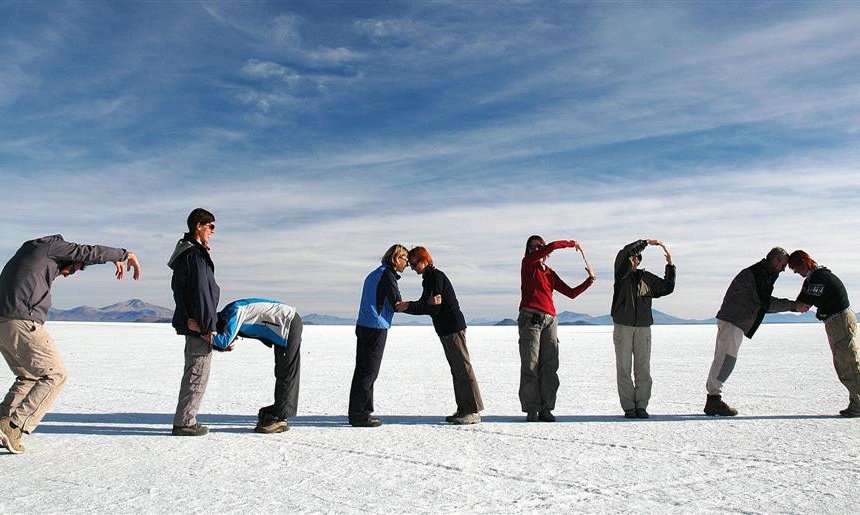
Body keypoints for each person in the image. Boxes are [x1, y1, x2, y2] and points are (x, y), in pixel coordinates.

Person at [0, 235, 141, 454]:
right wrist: (124, 254)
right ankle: (14, 426)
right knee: (56, 375)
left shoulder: (30, 252)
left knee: (28, 376)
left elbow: (80, 258)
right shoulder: (52, 246)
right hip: (22, 320)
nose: (68, 274)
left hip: (4, 322)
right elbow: (88, 252)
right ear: (67, 258)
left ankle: (2, 421)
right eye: (73, 270)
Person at [704, 247, 798, 416]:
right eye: (783, 265)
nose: (783, 269)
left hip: (734, 321)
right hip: (733, 321)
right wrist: (792, 306)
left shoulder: (761, 273)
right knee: (726, 361)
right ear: (776, 260)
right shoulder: (758, 274)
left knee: (725, 359)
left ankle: (714, 398)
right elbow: (764, 302)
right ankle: (713, 400)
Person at [396, 246, 484, 425]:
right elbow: (426, 304)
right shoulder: (429, 278)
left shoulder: (436, 277)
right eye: (411, 265)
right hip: (445, 329)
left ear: (424, 260)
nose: (413, 268)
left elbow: (433, 308)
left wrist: (410, 306)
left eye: (414, 264)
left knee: (462, 368)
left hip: (452, 328)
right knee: (457, 369)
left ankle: (471, 411)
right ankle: (463, 408)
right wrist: (415, 305)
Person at [518, 235, 595, 422]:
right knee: (531, 364)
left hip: (550, 320)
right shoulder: (528, 264)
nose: (535, 250)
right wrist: (571, 244)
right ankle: (532, 409)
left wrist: (589, 280)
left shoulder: (549, 273)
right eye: (532, 247)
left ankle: (546, 408)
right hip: (530, 319)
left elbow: (571, 293)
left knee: (550, 366)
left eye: (538, 247)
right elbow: (551, 247)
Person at [208, 298, 303, 433]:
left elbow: (224, 341)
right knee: (281, 370)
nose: (235, 339)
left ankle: (280, 417)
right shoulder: (229, 314)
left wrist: (206, 337)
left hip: (288, 323)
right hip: (284, 326)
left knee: (286, 371)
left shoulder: (234, 311)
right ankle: (279, 409)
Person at [788, 250, 860, 418]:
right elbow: (803, 301)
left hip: (839, 321)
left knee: (847, 362)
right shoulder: (814, 279)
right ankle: (856, 401)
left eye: (796, 269)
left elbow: (803, 304)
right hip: (835, 321)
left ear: (805, 263)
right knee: (844, 362)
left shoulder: (819, 279)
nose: (797, 273)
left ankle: (858, 403)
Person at [168, 208, 219, 436]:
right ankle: (185, 422)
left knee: (195, 371)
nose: (213, 232)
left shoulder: (189, 253)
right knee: (197, 373)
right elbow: (201, 294)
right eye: (211, 227)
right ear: (199, 225)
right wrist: (207, 326)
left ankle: (186, 419)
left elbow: (186, 292)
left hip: (196, 323)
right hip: (200, 327)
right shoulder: (194, 255)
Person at [611, 239, 675, 419]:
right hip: (623, 326)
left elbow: (667, 287)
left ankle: (641, 406)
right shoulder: (620, 276)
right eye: (631, 258)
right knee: (624, 368)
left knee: (643, 369)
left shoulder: (647, 279)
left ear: (639, 260)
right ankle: (629, 407)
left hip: (643, 328)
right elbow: (625, 252)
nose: (633, 260)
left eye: (636, 258)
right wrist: (645, 242)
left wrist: (670, 266)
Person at [348, 244, 407, 428]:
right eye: (405, 259)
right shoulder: (387, 275)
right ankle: (359, 414)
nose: (407, 264)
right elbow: (396, 301)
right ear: (396, 259)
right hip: (375, 326)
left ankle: (362, 411)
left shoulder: (376, 273)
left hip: (365, 325)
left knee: (364, 370)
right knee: (369, 371)